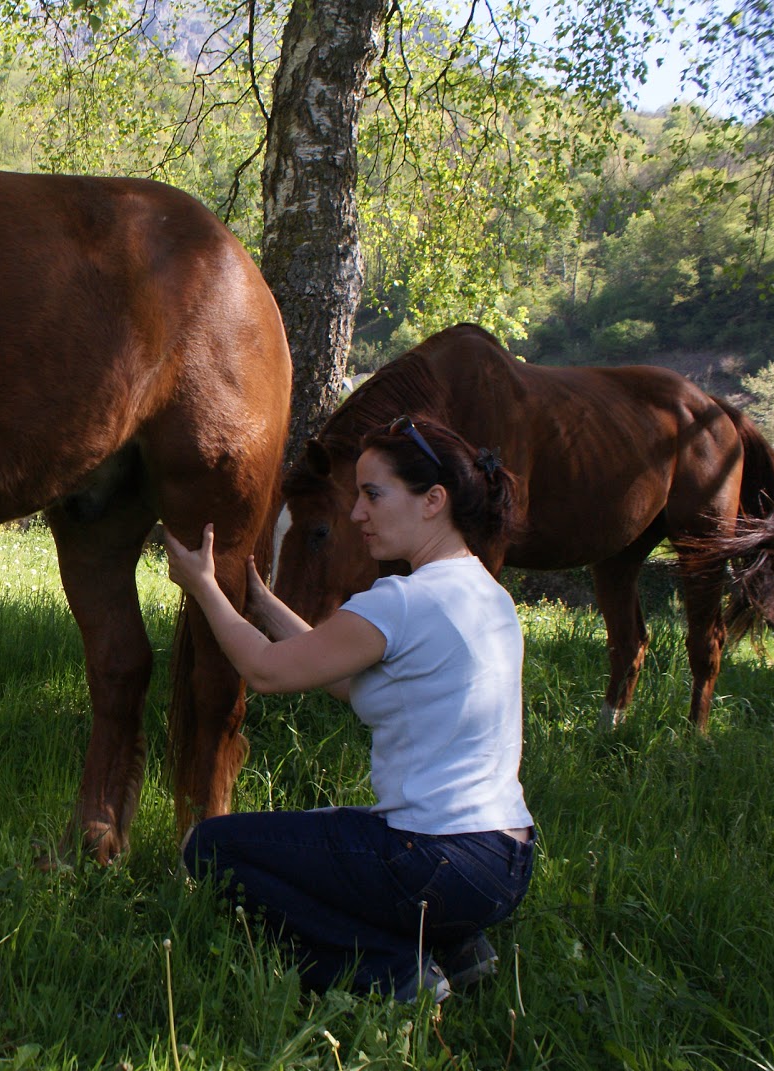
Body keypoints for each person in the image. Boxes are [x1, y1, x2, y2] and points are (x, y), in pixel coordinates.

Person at [164, 414, 535, 1003]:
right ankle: (456, 945)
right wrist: (259, 602)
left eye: (372, 494)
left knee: (212, 848)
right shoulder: (486, 593)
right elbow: (337, 674)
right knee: (332, 830)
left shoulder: (403, 600)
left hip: (433, 864)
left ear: (433, 500)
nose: (357, 513)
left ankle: (393, 972)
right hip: (502, 863)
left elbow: (264, 671)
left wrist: (204, 586)